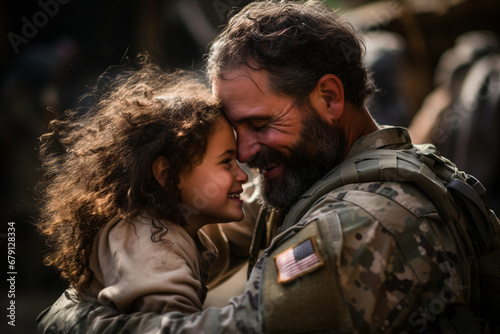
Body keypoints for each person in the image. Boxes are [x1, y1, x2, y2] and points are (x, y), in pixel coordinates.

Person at [36, 1, 499, 333]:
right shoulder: (310, 174)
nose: (246, 151)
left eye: (261, 124)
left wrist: (73, 319)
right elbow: (175, 233)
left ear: (330, 98)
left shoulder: (365, 219)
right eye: (237, 132)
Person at [35, 59, 255, 316]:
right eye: (226, 162)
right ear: (167, 173)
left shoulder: (159, 226)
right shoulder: (148, 241)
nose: (243, 175)